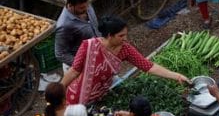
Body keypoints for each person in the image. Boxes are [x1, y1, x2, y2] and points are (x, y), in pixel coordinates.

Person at [61, 15, 189, 105]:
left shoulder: (125, 49)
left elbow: (148, 66)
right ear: (110, 36)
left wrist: (176, 76)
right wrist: (58, 90)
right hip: (78, 94)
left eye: (126, 34)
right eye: (121, 35)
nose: (125, 38)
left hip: (101, 94)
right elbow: (74, 71)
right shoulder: (88, 46)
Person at [54, 0, 100, 72]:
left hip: (96, 55)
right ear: (71, 5)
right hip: (80, 67)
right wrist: (82, 65)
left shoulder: (86, 5)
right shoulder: (64, 25)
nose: (86, 8)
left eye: (87, 5)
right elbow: (60, 54)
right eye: (82, 8)